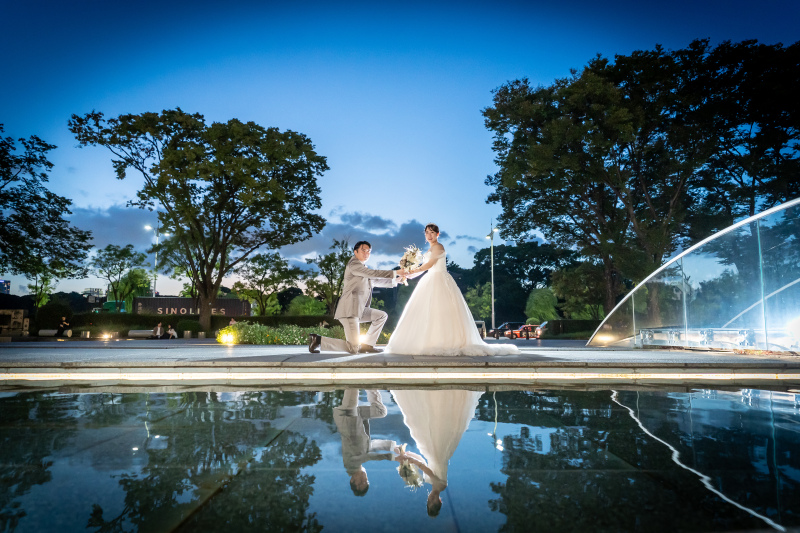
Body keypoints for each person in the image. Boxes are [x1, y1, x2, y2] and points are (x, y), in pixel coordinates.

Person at [386, 223, 519, 356]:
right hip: (430, 279)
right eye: (427, 232)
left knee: (441, 310)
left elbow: (429, 265)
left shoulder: (439, 247)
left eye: (432, 232)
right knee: (426, 310)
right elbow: (424, 268)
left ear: (438, 234)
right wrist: (408, 274)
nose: (429, 235)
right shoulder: (429, 250)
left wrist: (410, 270)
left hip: (439, 280)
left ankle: (445, 341)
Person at [391, 389, 483, 517]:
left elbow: (423, 461)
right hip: (440, 452)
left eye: (429, 501)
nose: (431, 499)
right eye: (433, 502)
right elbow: (426, 469)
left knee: (423, 423)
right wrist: (413, 461)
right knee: (438, 424)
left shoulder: (427, 481)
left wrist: (407, 455)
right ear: (439, 500)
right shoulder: (442, 486)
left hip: (431, 453)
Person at [308, 241, 405, 354]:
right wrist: (396, 272)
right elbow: (373, 273)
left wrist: (396, 280)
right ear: (355, 252)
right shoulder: (353, 264)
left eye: (369, 251)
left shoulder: (362, 268)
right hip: (349, 310)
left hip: (359, 309)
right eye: (363, 250)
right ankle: (318, 340)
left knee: (381, 316)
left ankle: (367, 345)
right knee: (353, 348)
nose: (366, 253)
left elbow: (374, 281)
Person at [333, 389, 400, 497]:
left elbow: (367, 457)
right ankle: (370, 387)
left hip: (347, 415)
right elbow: (372, 445)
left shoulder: (350, 465)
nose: (364, 479)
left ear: (352, 481)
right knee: (380, 411)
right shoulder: (361, 457)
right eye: (366, 482)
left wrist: (392, 457)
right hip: (358, 416)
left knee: (353, 386)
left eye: (361, 482)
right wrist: (393, 447)